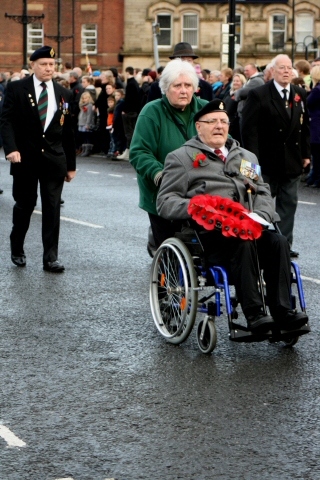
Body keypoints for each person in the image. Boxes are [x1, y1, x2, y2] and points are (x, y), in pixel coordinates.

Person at [156, 99, 308, 333]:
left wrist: (261, 213)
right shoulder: (181, 158)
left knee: (278, 242)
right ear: (199, 126)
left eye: (224, 121)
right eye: (212, 121)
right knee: (243, 243)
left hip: (251, 227)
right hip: (212, 235)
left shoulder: (246, 158)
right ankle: (255, 314)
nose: (219, 126)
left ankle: (283, 311)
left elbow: (262, 190)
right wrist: (198, 207)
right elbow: (165, 201)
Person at [0, 45, 76, 272]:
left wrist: (71, 165)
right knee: (25, 205)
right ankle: (17, 247)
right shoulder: (16, 89)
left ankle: (50, 257)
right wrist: (11, 148)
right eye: (43, 64)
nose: (48, 68)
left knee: (52, 208)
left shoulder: (65, 94)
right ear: (32, 65)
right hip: (25, 159)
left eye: (52, 65)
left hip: (54, 160)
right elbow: (6, 121)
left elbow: (68, 132)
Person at [130, 58, 208, 248]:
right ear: (166, 88)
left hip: (200, 189)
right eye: (178, 85)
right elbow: (139, 152)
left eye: (188, 85)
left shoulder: (206, 109)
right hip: (164, 190)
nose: (184, 90)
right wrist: (158, 173)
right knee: (168, 247)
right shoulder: (152, 112)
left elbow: (224, 140)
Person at [241, 54, 310, 258]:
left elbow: (303, 126)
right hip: (264, 161)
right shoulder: (258, 94)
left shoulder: (299, 93)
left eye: (289, 68)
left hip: (292, 160)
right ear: (272, 71)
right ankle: (253, 243)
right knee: (258, 204)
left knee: (288, 205)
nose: (287, 71)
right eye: (282, 68)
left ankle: (284, 245)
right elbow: (248, 131)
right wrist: (251, 163)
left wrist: (306, 154)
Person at [117, 66, 141, 161]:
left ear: (127, 72)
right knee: (131, 132)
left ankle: (129, 151)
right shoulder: (134, 83)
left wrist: (125, 109)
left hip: (130, 112)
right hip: (134, 111)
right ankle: (129, 151)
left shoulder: (131, 84)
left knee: (129, 132)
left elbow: (129, 99)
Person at [305, 66, 320, 188]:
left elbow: (307, 103)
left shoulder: (317, 90)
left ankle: (316, 177)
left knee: (316, 154)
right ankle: (314, 177)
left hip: (316, 125)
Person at [224, 72, 246, 144]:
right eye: (234, 81)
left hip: (235, 124)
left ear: (242, 83)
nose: (235, 83)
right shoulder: (229, 93)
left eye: (238, 81)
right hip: (228, 122)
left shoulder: (242, 96)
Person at [78, 91, 95, 157]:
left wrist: (88, 124)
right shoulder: (82, 106)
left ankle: (88, 150)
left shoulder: (89, 105)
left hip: (86, 123)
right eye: (83, 98)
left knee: (87, 136)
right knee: (83, 137)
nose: (84, 100)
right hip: (81, 123)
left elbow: (89, 115)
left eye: (86, 98)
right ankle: (84, 149)